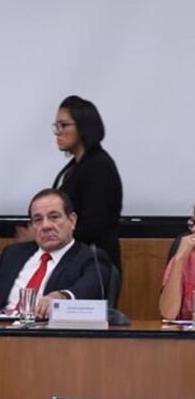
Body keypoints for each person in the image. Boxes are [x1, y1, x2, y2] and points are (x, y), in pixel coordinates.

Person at [0, 188, 111, 318]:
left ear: (72, 220)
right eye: (38, 219)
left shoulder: (90, 258)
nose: (46, 226)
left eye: (54, 217)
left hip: (48, 333)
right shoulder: (13, 254)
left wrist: (60, 297)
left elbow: (89, 288)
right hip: (0, 330)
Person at [51, 95, 123, 291]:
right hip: (80, 263)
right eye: (56, 126)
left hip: (95, 268)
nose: (57, 132)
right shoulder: (76, 166)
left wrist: (52, 233)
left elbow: (93, 224)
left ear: (83, 127)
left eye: (63, 125)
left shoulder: (99, 166)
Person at [158, 204, 195, 320]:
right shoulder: (186, 257)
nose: (194, 230)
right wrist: (179, 260)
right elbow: (168, 314)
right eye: (193, 223)